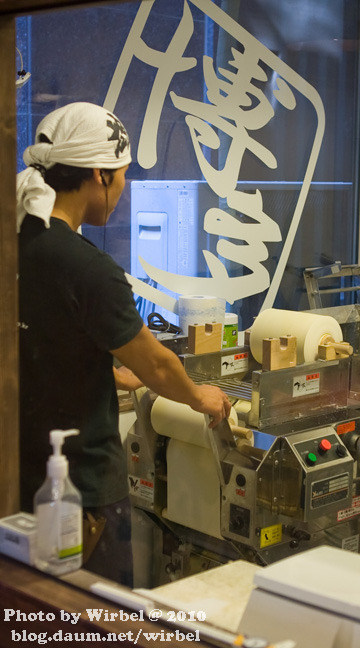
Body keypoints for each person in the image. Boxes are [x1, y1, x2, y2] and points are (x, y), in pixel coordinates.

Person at [17, 102, 231, 586]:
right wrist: (202, 398)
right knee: (97, 623)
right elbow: (156, 364)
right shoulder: (87, 267)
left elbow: (43, 342)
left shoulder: (18, 240)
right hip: (83, 489)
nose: (124, 190)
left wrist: (110, 373)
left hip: (20, 476)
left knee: (33, 616)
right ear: (99, 174)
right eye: (122, 176)